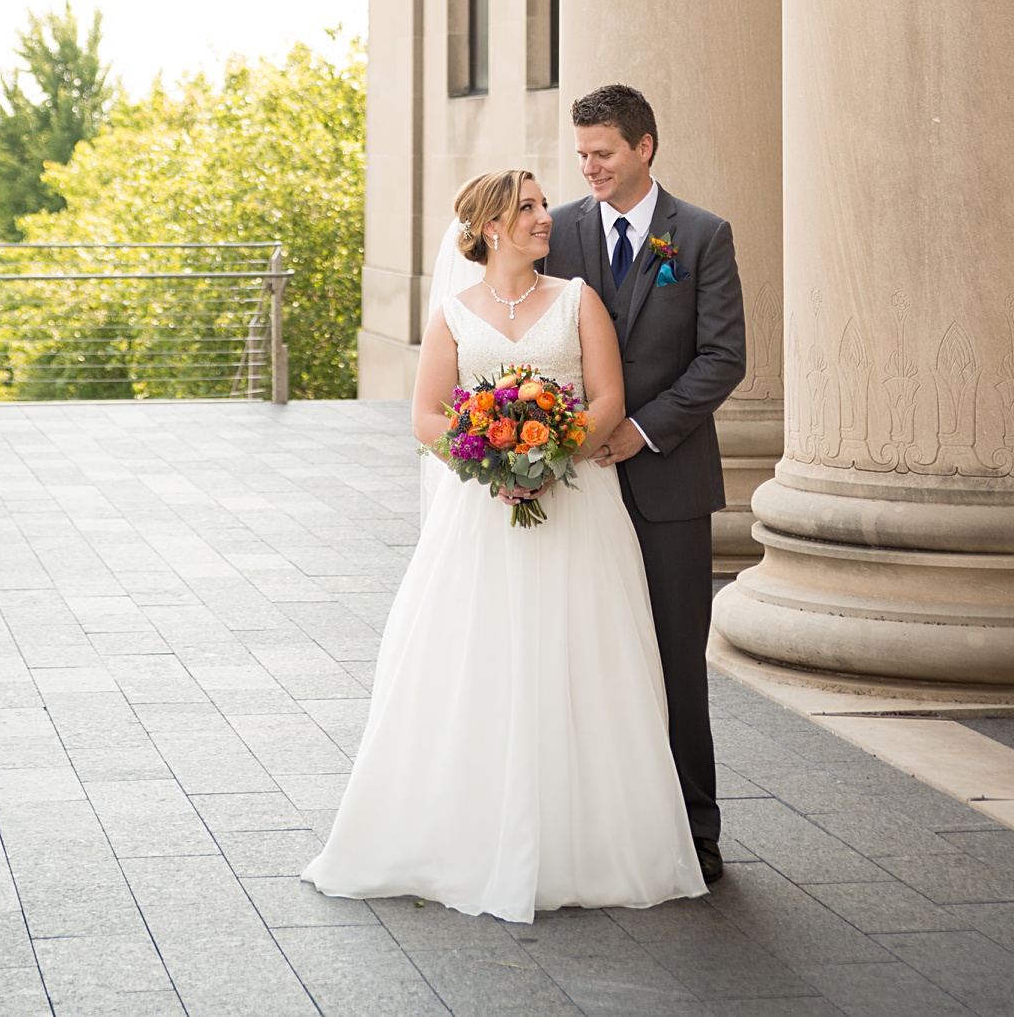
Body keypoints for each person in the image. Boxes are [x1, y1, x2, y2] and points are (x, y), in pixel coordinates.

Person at [302, 169, 705, 921]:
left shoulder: (578, 299)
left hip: (579, 504)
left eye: (542, 204)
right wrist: (492, 465)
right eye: (527, 208)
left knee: (580, 655)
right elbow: (426, 416)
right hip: (482, 513)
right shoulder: (454, 314)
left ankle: (589, 840)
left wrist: (549, 460)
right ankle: (468, 833)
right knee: (478, 657)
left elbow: (608, 399)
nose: (544, 217)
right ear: (491, 227)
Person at [546, 84, 747, 886]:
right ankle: (593, 823)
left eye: (604, 153)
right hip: (579, 491)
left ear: (645, 147)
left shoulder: (700, 236)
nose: (590, 168)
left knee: (674, 663)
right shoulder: (554, 232)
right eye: (583, 155)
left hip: (669, 483)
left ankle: (696, 828)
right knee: (583, 658)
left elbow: (722, 357)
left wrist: (644, 426)